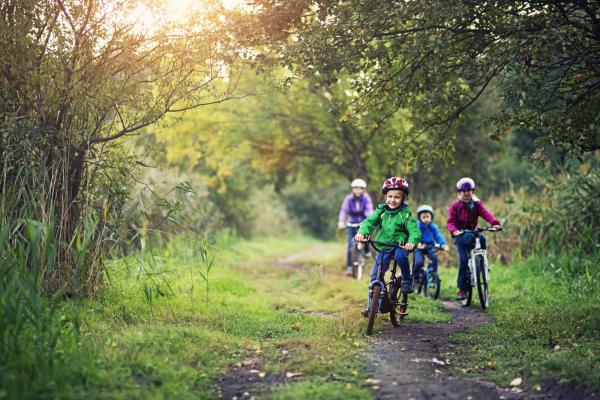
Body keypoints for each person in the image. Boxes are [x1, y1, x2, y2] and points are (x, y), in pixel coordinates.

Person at [354, 177, 421, 315]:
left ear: (403, 198)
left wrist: (411, 242)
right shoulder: (381, 210)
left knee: (400, 256)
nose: (392, 200)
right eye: (390, 196)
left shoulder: (405, 213)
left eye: (397, 197)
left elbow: (414, 230)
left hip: (400, 244)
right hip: (383, 244)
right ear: (385, 196)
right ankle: (372, 307)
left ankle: (407, 280)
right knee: (376, 276)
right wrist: (362, 233)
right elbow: (369, 222)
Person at [447, 177, 502, 301]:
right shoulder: (455, 206)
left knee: (482, 239)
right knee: (464, 260)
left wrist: (495, 223)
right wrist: (454, 230)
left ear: (472, 191)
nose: (466, 194)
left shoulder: (476, 204)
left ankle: (481, 262)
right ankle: (461, 289)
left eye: (469, 191)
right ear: (459, 193)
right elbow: (450, 221)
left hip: (473, 233)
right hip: (460, 236)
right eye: (463, 191)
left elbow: (485, 213)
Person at [338, 178, 374, 276]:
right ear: (352, 189)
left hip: (363, 223)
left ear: (364, 190)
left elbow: (369, 210)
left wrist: (370, 220)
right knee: (351, 245)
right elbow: (344, 211)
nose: (358, 190)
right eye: (356, 188)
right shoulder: (348, 199)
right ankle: (349, 268)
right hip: (351, 224)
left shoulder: (366, 199)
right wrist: (341, 221)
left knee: (366, 237)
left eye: (360, 188)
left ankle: (366, 250)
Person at [413, 205, 449, 283]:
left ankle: (433, 275)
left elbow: (438, 236)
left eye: (427, 217)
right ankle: (415, 277)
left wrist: (443, 244)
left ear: (431, 217)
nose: (426, 219)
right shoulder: (418, 226)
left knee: (434, 258)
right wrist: (417, 243)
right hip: (419, 247)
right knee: (419, 262)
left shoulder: (433, 227)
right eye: (423, 217)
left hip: (430, 246)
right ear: (420, 218)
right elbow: (415, 235)